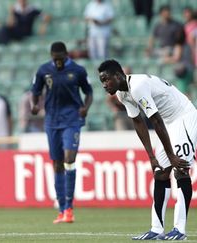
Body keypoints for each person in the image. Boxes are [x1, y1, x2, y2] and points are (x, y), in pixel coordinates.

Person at [98, 59, 194, 240]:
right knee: (160, 173)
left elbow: (155, 120)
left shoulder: (138, 86)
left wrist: (171, 155)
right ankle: (156, 229)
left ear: (118, 76)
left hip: (184, 116)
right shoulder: (122, 94)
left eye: (106, 80)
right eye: (102, 81)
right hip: (169, 122)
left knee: (180, 169)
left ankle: (179, 230)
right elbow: (137, 122)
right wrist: (151, 156)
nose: (104, 85)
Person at [31, 41, 93, 224]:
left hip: (72, 119)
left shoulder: (78, 70)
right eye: (55, 59)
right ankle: (61, 209)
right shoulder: (43, 70)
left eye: (60, 59)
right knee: (57, 163)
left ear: (66, 55)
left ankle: (69, 207)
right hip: (52, 121)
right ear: (51, 57)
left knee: (69, 158)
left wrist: (86, 108)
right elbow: (35, 91)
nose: (58, 63)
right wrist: (34, 105)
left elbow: (89, 92)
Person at [106, 66, 133, 131]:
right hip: (121, 115)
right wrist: (114, 108)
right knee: (122, 134)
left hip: (132, 114)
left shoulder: (132, 84)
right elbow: (109, 98)